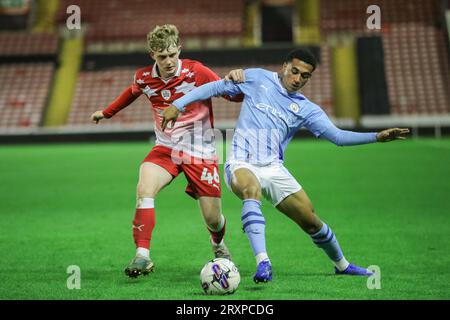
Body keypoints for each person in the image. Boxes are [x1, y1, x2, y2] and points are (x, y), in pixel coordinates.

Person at [161, 48, 410, 283]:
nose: (298, 78)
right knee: (251, 190)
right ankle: (263, 263)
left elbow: (338, 137)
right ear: (284, 67)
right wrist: (177, 105)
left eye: (305, 75)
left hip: (274, 168)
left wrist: (376, 137)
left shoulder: (306, 109)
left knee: (311, 221)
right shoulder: (257, 78)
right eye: (295, 71)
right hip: (241, 162)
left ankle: (342, 265)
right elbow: (213, 87)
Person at [90, 24, 244, 278]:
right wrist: (106, 113)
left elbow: (230, 94)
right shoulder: (144, 77)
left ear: (179, 50)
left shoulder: (198, 71)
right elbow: (131, 92)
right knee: (144, 190)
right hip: (165, 148)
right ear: (153, 55)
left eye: (173, 54)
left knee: (213, 219)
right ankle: (142, 255)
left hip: (200, 152)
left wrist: (241, 82)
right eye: (162, 57)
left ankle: (217, 243)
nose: (169, 61)